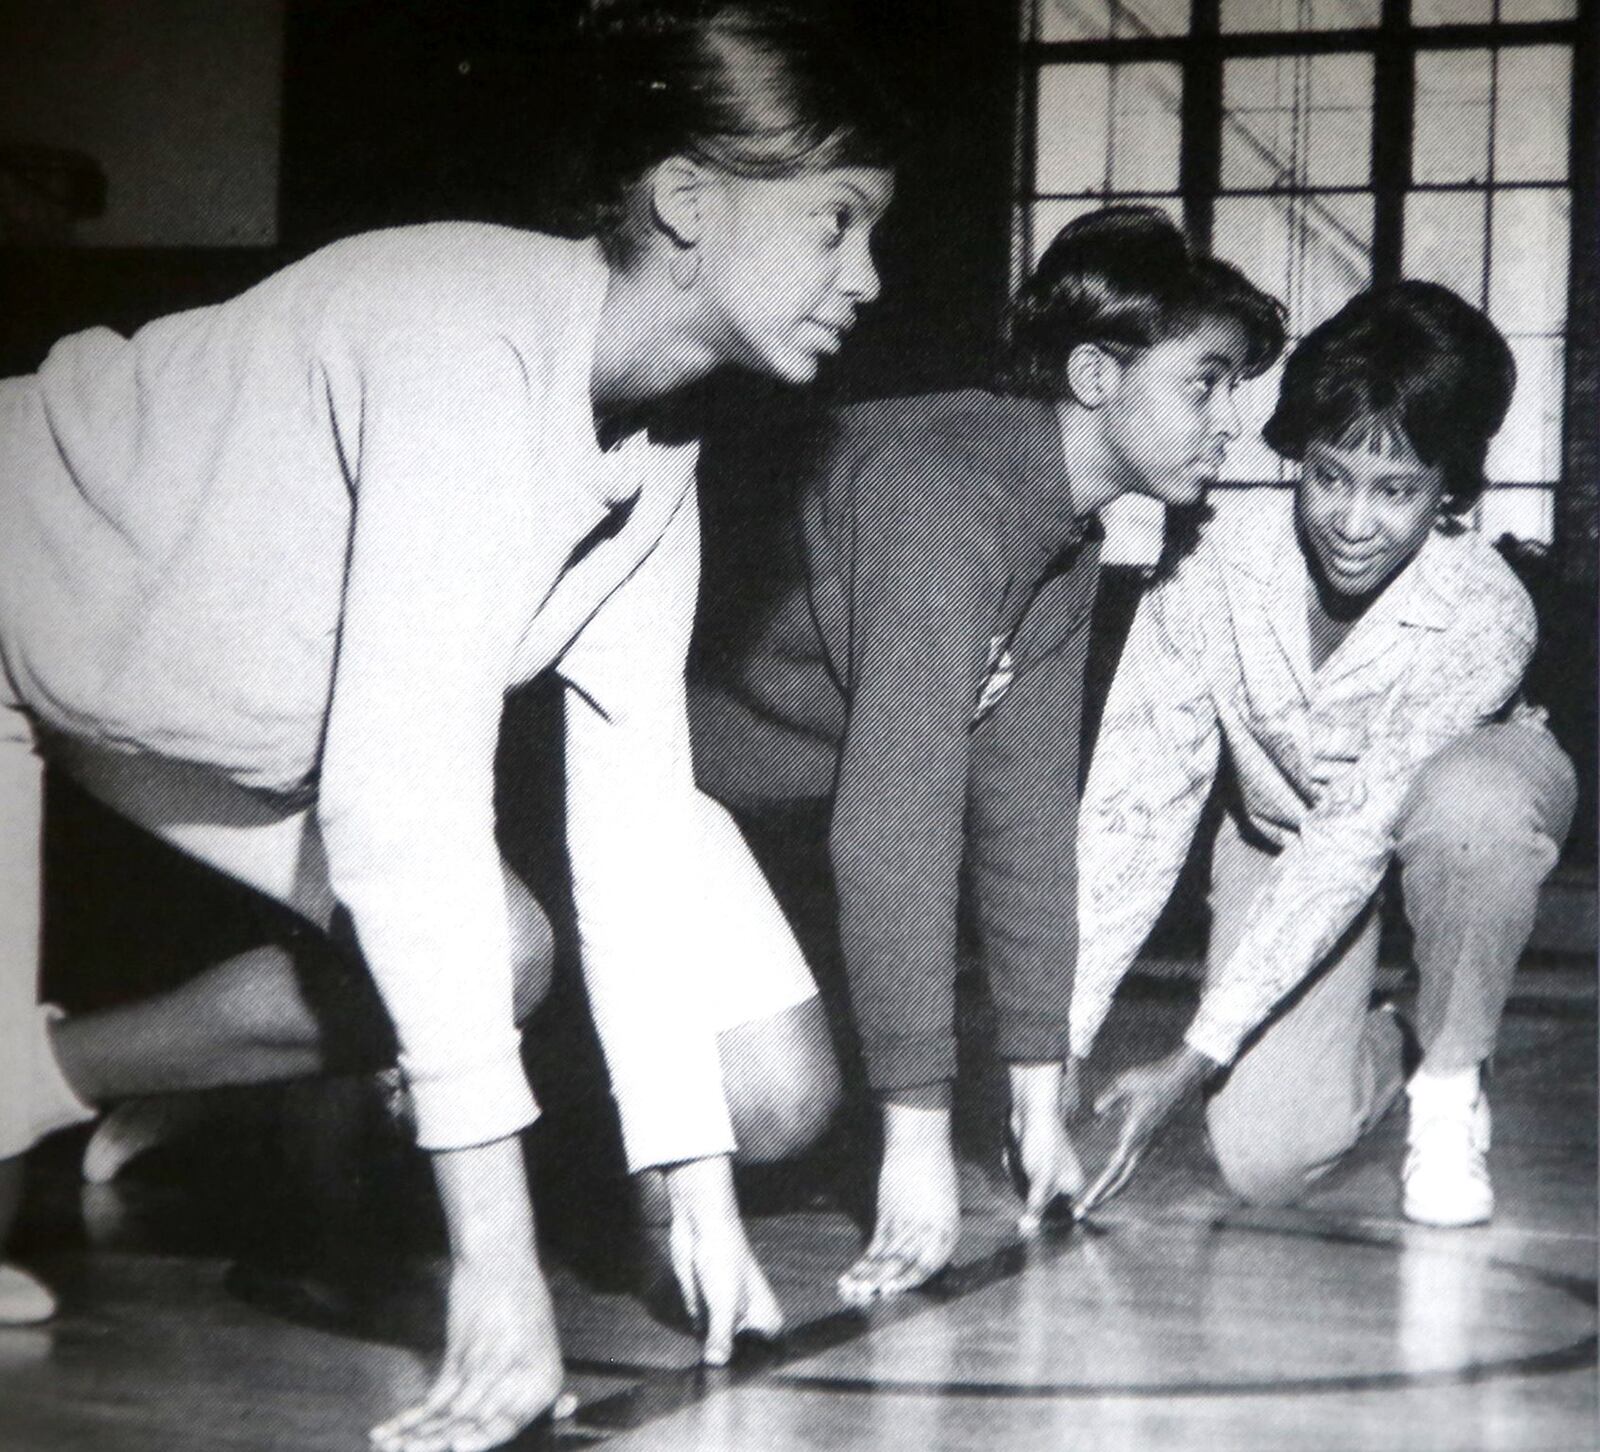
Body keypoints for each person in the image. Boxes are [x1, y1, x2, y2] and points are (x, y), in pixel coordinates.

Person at [0, 3, 897, 1447]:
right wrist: (495, 1274)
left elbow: (635, 832)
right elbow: (398, 804)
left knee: (500, 948)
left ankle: (27, 1072)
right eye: (838, 222)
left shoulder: (662, 457)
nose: (868, 276)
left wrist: (701, 1185)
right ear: (688, 200)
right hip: (21, 586)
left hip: (162, 707)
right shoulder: (464, 338)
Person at [690, 207, 1285, 1301]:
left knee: (781, 1097)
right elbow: (893, 832)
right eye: (1205, 383)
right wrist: (911, 1146)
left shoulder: (1062, 533)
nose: (1230, 421)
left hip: (730, 822)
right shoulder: (944, 489)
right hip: (618, 793)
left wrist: (1036, 1101)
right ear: (1097, 376)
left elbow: (1019, 826)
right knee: (777, 1107)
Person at [1072, 282, 1577, 1229]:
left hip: (1459, 809)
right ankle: (1411, 1035)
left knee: (1472, 809)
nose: (1352, 522)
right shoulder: (1209, 561)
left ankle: (1452, 1072)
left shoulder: (1489, 608)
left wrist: (1190, 1058)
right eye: (1331, 476)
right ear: (1298, 457)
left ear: (1452, 493)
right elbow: (1138, 800)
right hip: (1282, 833)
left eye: (1397, 492)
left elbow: (1357, 835)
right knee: (1269, 1161)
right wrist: (1054, 1048)